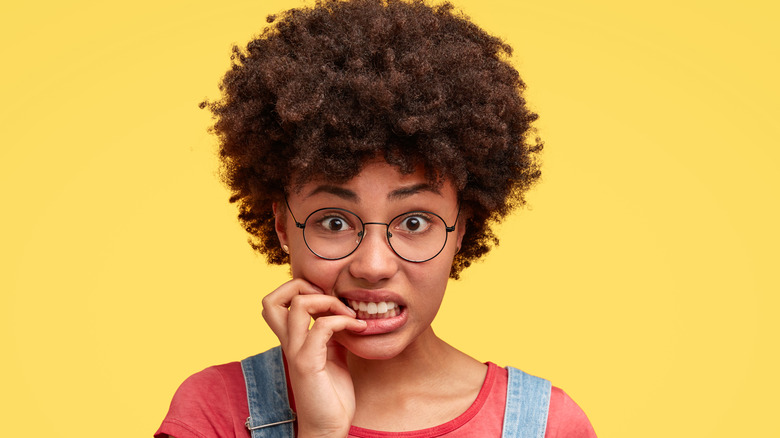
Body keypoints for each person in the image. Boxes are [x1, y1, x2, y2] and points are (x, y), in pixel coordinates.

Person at [156, 0, 596, 436]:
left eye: (414, 222)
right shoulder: (214, 412)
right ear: (281, 225)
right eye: (333, 222)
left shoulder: (546, 426)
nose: (373, 266)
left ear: (460, 227)